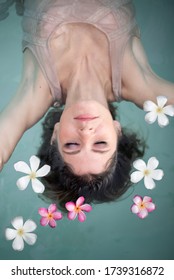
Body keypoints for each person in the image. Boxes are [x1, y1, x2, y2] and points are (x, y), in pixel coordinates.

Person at [0, 0, 173, 208]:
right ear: (117, 132)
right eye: (100, 144)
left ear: (55, 135)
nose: (86, 131)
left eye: (72, 145)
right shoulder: (141, 86)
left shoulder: (38, 91)